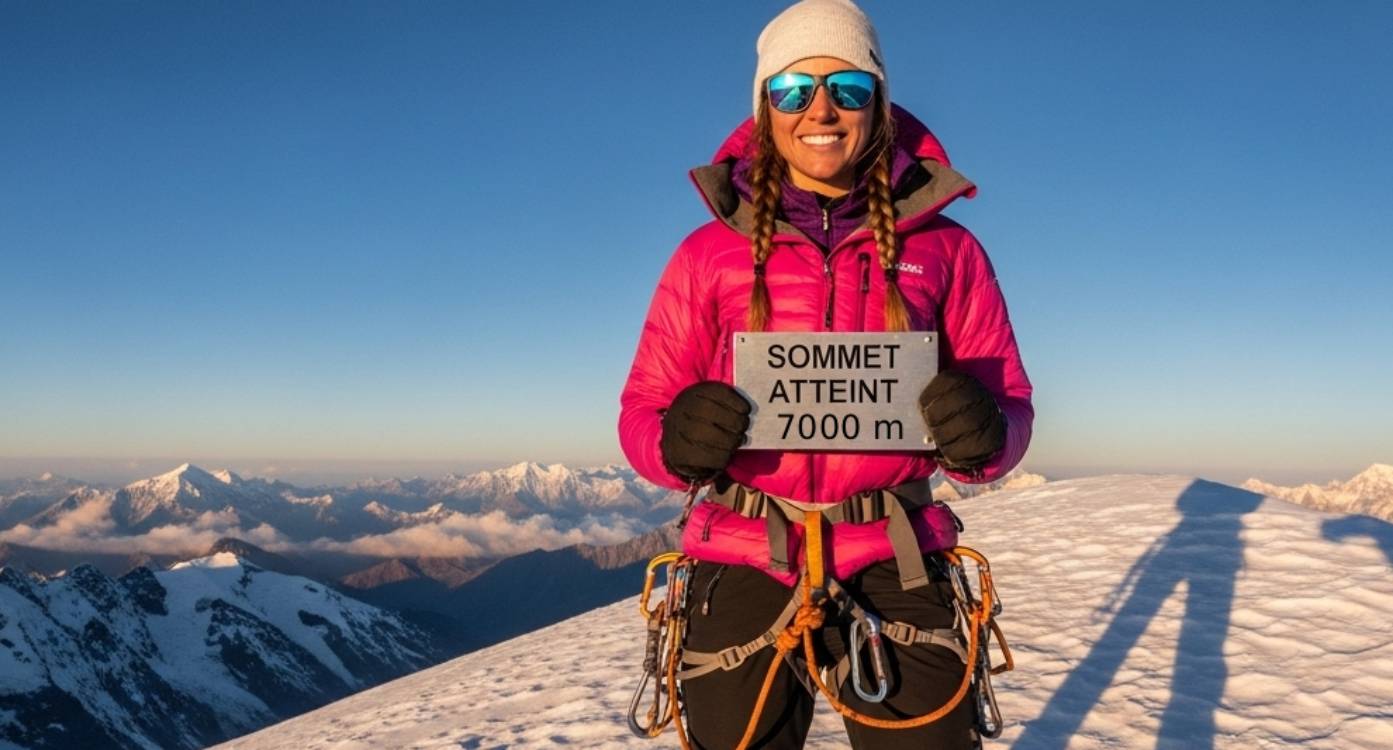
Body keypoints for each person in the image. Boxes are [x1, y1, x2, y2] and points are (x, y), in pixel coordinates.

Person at [618, 1, 1033, 747]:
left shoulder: (948, 250)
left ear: (875, 103)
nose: (820, 109)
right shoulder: (705, 254)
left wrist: (985, 434)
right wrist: (674, 440)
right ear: (763, 107)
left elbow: (1008, 402)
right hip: (744, 555)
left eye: (845, 87)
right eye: (791, 90)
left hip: (895, 554)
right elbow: (644, 407)